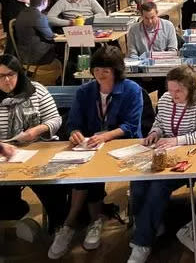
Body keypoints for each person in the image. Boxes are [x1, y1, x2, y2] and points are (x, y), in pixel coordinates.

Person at [48, 46, 143, 259]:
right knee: (83, 171)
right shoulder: (85, 92)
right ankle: (86, 222)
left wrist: (105, 136)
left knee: (90, 173)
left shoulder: (132, 89)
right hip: (89, 146)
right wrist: (75, 133)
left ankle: (76, 222)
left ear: (116, 71)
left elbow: (131, 125)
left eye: (106, 71)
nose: (100, 74)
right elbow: (73, 123)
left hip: (122, 145)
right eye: (97, 69)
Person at [128, 66, 196, 262]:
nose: (173, 95)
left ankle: (142, 242)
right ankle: (149, 224)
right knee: (138, 181)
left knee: (159, 186)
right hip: (163, 153)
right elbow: (159, 122)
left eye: (179, 91)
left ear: (191, 89)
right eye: (170, 90)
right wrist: (155, 133)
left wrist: (178, 140)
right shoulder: (165, 99)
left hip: (189, 159)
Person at [0, 54, 66, 235]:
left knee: (53, 189)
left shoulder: (36, 90)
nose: (6, 80)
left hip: (37, 151)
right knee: (5, 199)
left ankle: (58, 226)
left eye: (11, 74)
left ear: (19, 74)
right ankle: (12, 228)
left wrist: (36, 131)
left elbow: (55, 119)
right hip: (4, 157)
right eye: (1, 76)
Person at [12, 0, 57, 65]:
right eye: (47, 1)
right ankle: (60, 74)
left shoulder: (22, 13)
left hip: (22, 54)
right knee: (61, 48)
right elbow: (50, 36)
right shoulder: (39, 17)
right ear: (43, 2)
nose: (47, 3)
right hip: (37, 56)